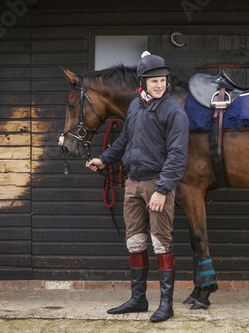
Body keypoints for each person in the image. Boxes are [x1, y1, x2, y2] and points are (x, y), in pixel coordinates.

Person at [86, 51, 189, 323]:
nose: (159, 85)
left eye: (162, 80)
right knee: (135, 241)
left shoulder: (173, 111)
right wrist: (104, 159)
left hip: (157, 184)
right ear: (142, 83)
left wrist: (163, 189)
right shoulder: (135, 107)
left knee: (160, 243)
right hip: (132, 184)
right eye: (153, 81)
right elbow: (124, 142)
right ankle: (138, 299)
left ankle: (166, 304)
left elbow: (178, 156)